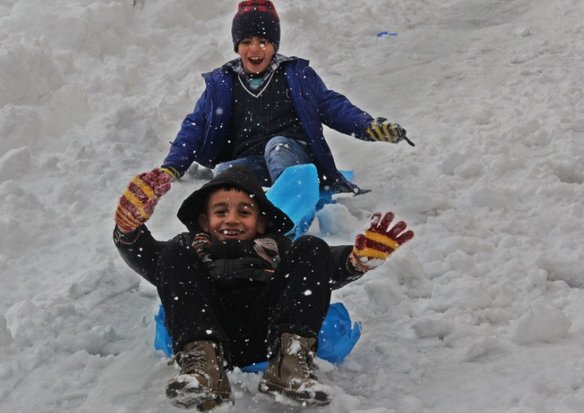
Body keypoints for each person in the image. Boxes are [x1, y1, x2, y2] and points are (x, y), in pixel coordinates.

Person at [112, 166, 414, 410]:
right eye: (221, 212)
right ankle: (203, 370)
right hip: (207, 331)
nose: (231, 219)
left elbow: (324, 269)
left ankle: (290, 365)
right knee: (174, 249)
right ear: (204, 221)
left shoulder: (279, 249)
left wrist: (356, 261)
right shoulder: (190, 248)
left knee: (311, 246)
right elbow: (150, 258)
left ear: (260, 223)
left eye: (244, 212)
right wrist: (128, 231)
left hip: (271, 330)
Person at [157, 0, 412, 194]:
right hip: (253, 162)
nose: (255, 49)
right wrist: (174, 165)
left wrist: (368, 127)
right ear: (237, 46)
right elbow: (195, 125)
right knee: (226, 173)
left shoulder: (294, 75)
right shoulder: (223, 83)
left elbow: (331, 105)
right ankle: (255, 217)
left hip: (293, 158)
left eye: (263, 42)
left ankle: (288, 209)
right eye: (247, 42)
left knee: (277, 146)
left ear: (274, 46)